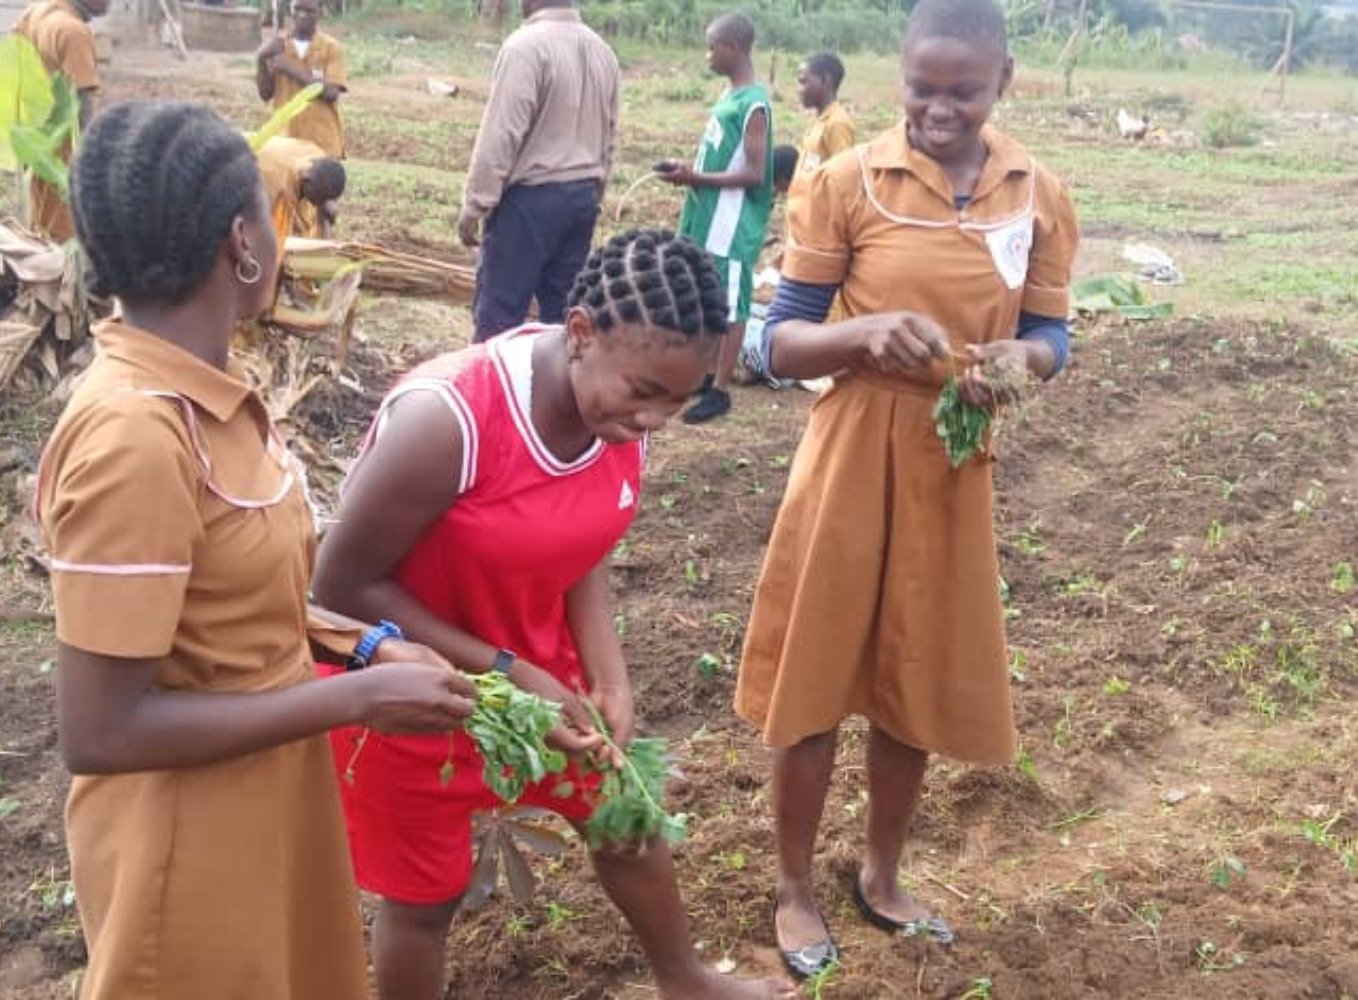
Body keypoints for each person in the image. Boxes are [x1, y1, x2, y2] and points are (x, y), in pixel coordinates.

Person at [35, 101, 476, 1000]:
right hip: (189, 840)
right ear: (244, 241)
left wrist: (360, 646)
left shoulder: (210, 395)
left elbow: (231, 600)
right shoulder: (135, 437)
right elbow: (102, 729)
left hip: (266, 792)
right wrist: (358, 697)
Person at [311, 230, 797, 1000]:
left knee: (626, 820)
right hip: (411, 689)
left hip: (544, 679)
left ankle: (687, 981)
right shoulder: (451, 420)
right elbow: (338, 587)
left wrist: (610, 678)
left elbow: (583, 547)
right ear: (579, 334)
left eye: (680, 400)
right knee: (425, 900)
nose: (657, 422)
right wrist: (510, 671)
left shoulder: (615, 412)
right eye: (645, 393)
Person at [732, 0, 1077, 979]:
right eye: (922, 88)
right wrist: (860, 337)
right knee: (816, 680)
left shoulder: (1036, 194)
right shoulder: (848, 183)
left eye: (962, 92)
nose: (938, 109)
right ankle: (794, 888)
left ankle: (882, 874)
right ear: (902, 80)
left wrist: (1020, 362)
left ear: (1002, 83)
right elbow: (774, 340)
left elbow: (1056, 336)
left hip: (952, 457)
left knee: (909, 681)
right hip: (850, 453)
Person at [458, 0, 620, 342]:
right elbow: (610, 135)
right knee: (560, 320)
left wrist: (475, 206)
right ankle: (552, 393)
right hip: (582, 198)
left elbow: (502, 134)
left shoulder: (525, 46)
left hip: (530, 201)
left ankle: (495, 394)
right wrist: (595, 196)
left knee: (499, 319)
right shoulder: (603, 51)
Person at [658, 12, 774, 425]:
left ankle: (721, 389)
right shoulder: (729, 97)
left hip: (730, 222)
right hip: (706, 214)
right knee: (704, 291)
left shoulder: (754, 104)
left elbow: (755, 173)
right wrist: (688, 171)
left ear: (734, 49)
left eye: (713, 47)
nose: (708, 56)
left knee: (731, 302)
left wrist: (696, 178)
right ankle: (707, 375)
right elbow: (724, 156)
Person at [10, 0, 109, 241]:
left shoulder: (37, 11)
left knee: (40, 228)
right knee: (62, 238)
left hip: (33, 141)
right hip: (61, 152)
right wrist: (89, 162)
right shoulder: (73, 32)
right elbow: (82, 103)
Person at [256, 0, 348, 159]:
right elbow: (265, 94)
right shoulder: (278, 46)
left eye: (309, 10)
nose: (302, 15)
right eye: (298, 9)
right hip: (286, 141)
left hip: (321, 144)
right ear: (291, 11)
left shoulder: (332, 48)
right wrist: (261, 59)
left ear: (319, 12)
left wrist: (289, 68)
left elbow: (331, 93)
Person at [256, 134, 346, 256]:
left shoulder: (318, 157)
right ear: (307, 182)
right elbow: (275, 240)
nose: (318, 204)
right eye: (319, 199)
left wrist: (325, 216)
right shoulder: (279, 189)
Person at [794, 51, 856, 179]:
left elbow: (843, 177)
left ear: (824, 80)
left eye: (804, 82)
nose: (799, 90)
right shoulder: (819, 120)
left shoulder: (837, 123)